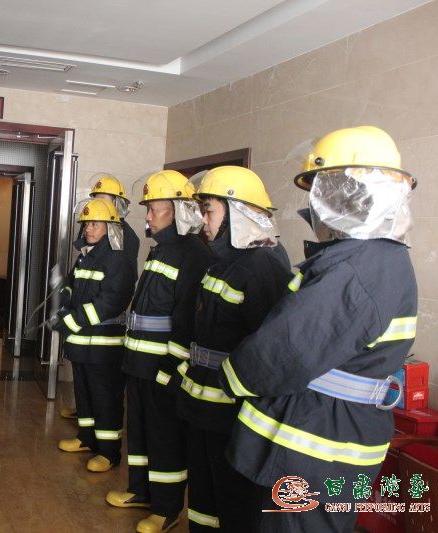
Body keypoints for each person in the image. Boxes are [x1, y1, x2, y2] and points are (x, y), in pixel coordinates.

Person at [218, 126, 418, 532]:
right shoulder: (377, 259)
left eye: (320, 189)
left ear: (350, 192)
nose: (314, 202)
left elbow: (283, 352)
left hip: (314, 448)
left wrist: (230, 378)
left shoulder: (355, 267)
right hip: (328, 439)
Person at [174, 166, 291, 532]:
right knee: (203, 502)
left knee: (234, 506)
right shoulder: (222, 263)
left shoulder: (263, 267)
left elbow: (268, 355)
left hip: (233, 416)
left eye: (208, 210)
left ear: (237, 212)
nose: (203, 221)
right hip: (203, 407)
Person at [106, 170, 212, 533]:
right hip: (139, 364)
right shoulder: (162, 249)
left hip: (162, 368)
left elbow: (188, 321)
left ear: (179, 211)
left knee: (165, 439)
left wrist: (170, 370)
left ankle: (167, 509)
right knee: (139, 434)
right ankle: (140, 491)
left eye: (155, 209)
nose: (148, 216)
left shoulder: (194, 255)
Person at [54, 199, 136, 472]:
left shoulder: (118, 259)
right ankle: (86, 438)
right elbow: (71, 286)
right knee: (85, 395)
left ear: (110, 227)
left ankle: (109, 452)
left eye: (94, 224)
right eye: (86, 223)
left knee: (105, 399)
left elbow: (110, 302)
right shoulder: (86, 255)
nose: (88, 229)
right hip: (82, 344)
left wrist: (71, 319)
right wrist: (64, 301)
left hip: (103, 346)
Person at [60, 174, 140, 421]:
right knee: (86, 386)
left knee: (102, 391)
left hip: (102, 329)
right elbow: (79, 275)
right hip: (84, 330)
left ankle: (99, 430)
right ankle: (85, 422)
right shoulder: (92, 228)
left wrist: (75, 318)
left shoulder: (123, 237)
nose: (99, 204)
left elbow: (118, 286)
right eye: (96, 198)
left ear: (118, 203)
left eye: (105, 199)